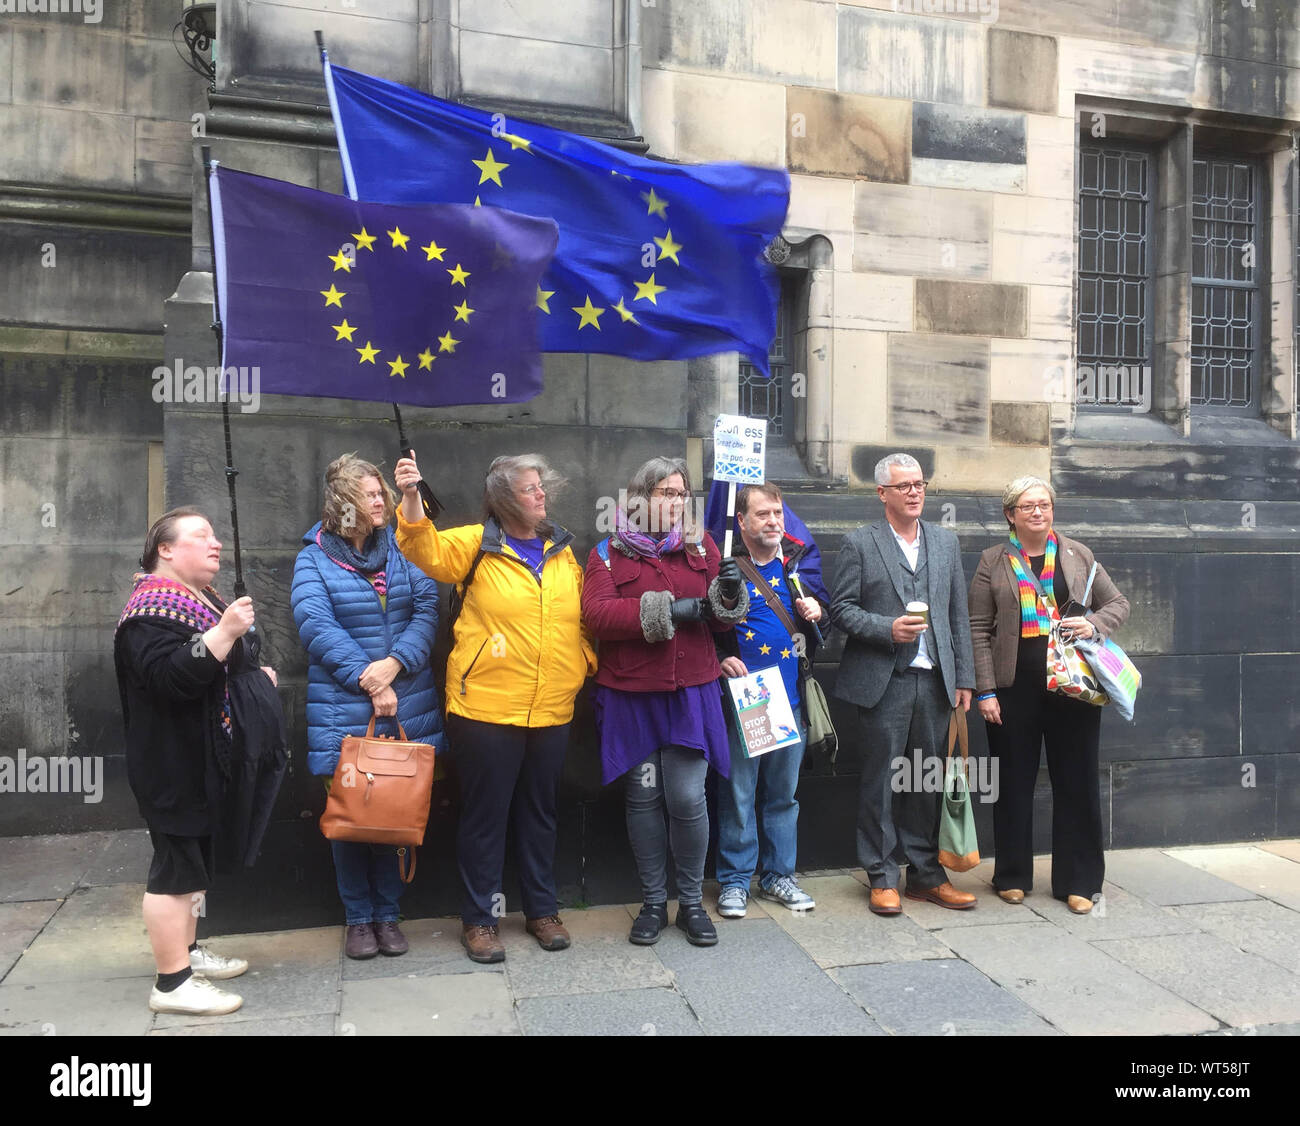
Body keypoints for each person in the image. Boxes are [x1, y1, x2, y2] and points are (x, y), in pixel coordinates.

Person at [394, 452, 595, 964]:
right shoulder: (475, 543)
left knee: (540, 814)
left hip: (551, 708)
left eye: (541, 486)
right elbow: (423, 548)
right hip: (485, 709)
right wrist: (412, 496)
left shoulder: (562, 549)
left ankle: (542, 911)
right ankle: (480, 920)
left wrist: (583, 660)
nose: (541, 495)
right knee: (485, 817)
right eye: (530, 489)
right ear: (505, 498)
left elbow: (578, 616)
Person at [114, 507, 276, 1015]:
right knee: (174, 870)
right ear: (165, 549)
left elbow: (218, 676)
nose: (216, 544)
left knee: (193, 867)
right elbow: (170, 680)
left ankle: (187, 954)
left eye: (216, 536)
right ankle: (171, 984)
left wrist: (253, 680)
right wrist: (224, 634)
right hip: (170, 764)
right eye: (200, 536)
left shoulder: (197, 599)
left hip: (201, 759)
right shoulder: (148, 612)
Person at [582, 457, 749, 947]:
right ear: (640, 497)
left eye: (681, 494)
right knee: (644, 798)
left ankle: (692, 902)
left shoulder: (702, 545)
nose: (676, 503)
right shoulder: (608, 553)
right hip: (631, 695)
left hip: (689, 693)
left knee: (687, 797)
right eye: (666, 493)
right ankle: (654, 902)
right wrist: (666, 610)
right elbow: (597, 615)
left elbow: (722, 622)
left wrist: (729, 598)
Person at [291, 454, 444, 960]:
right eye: (371, 493)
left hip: (407, 705)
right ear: (343, 503)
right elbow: (314, 623)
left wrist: (396, 663)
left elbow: (427, 606)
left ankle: (387, 914)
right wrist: (369, 677)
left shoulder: (402, 546)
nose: (381, 500)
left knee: (395, 814)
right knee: (353, 819)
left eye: (381, 491)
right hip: (345, 710)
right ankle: (358, 919)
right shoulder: (313, 556)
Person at [967, 475, 1130, 913]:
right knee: (1013, 784)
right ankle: (1013, 874)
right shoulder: (992, 560)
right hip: (1012, 689)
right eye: (1027, 506)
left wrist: (1094, 624)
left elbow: (1117, 603)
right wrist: (985, 690)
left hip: (1073, 689)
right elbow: (978, 629)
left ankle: (1078, 881)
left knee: (1076, 782)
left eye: (1044, 505)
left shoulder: (1078, 555)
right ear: (1010, 515)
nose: (1038, 512)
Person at [831, 453, 977, 915]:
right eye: (904, 486)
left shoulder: (946, 543)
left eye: (919, 484)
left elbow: (958, 616)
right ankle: (881, 875)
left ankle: (926, 874)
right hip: (883, 682)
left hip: (935, 682)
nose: (914, 492)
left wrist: (965, 679)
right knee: (881, 782)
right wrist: (886, 628)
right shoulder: (858, 543)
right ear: (882, 493)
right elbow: (842, 610)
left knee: (925, 780)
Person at [714, 483, 828, 918]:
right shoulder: (726, 570)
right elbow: (707, 630)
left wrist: (818, 612)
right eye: (762, 514)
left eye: (777, 513)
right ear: (741, 522)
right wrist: (721, 657)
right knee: (739, 794)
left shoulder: (796, 567)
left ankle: (780, 874)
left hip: (790, 697)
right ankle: (735, 880)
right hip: (747, 700)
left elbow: (826, 622)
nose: (773, 521)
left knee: (784, 794)